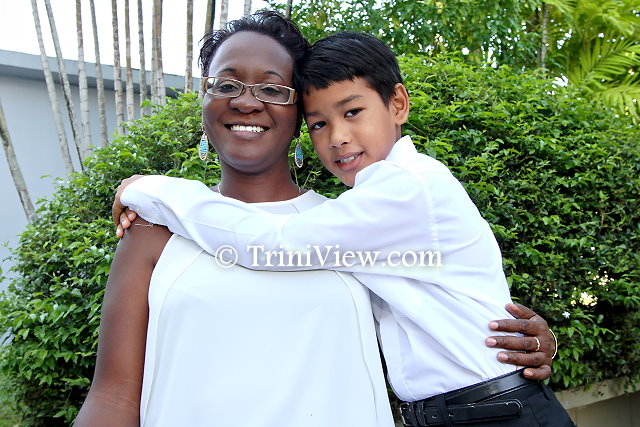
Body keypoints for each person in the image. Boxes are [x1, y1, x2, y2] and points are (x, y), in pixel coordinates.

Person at [113, 30, 572, 427]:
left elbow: (274, 242)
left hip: (494, 411)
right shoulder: (357, 215)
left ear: (398, 103)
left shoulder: (405, 188)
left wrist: (152, 188)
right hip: (461, 411)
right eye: (319, 123)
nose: (337, 137)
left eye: (352, 113)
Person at [77, 14, 396, 426]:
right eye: (226, 85)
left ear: (300, 114)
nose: (246, 102)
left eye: (271, 88)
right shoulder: (152, 229)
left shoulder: (356, 225)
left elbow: (441, 327)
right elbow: (114, 397)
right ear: (204, 103)